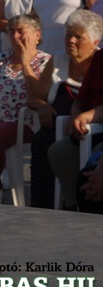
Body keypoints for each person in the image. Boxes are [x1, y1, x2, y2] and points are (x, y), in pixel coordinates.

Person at [28, 8, 103, 208]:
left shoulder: (97, 60)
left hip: (90, 126)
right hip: (60, 123)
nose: (71, 40)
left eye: (79, 37)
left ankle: (80, 202)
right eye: (68, 35)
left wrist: (82, 117)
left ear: (95, 42)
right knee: (44, 142)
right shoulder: (58, 60)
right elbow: (35, 97)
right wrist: (43, 106)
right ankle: (49, 205)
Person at [0, 14, 51, 194]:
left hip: (21, 122)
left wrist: (25, 61)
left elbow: (36, 94)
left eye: (20, 31)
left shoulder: (46, 62)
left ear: (37, 35)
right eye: (11, 31)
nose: (15, 36)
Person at [48, 47, 103, 209]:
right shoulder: (99, 58)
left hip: (98, 127)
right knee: (59, 151)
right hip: (91, 128)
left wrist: (87, 116)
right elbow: (82, 98)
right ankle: (75, 206)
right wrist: (77, 114)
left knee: (95, 158)